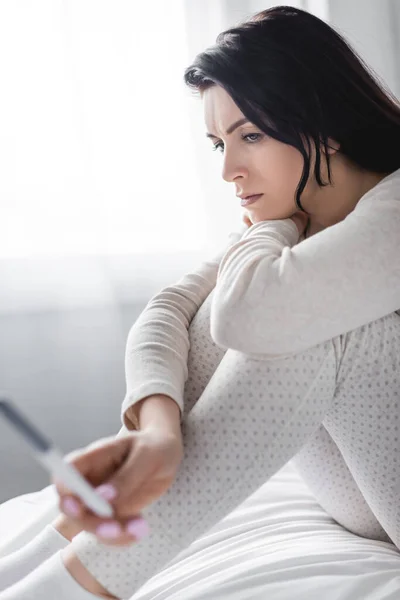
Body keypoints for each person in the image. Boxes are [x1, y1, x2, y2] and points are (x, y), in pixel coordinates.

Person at [1, 5, 400, 599]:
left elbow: (252, 317)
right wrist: (159, 433)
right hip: (368, 493)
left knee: (286, 319)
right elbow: (168, 311)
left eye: (251, 135)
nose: (230, 171)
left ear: (323, 121)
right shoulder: (298, 220)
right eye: (220, 144)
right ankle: (37, 561)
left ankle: (70, 589)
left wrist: (267, 230)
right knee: (231, 313)